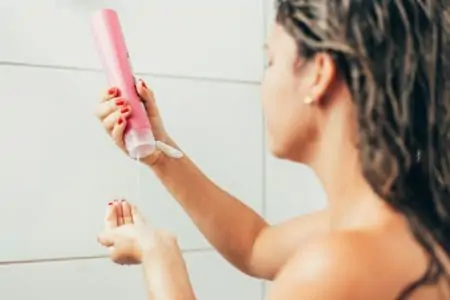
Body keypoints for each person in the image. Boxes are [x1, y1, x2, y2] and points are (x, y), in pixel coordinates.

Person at [95, 0, 450, 299]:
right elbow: (254, 244)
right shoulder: (412, 222)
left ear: (318, 74)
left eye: (271, 62)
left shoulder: (333, 267)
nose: (263, 84)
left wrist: (160, 257)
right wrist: (159, 154)